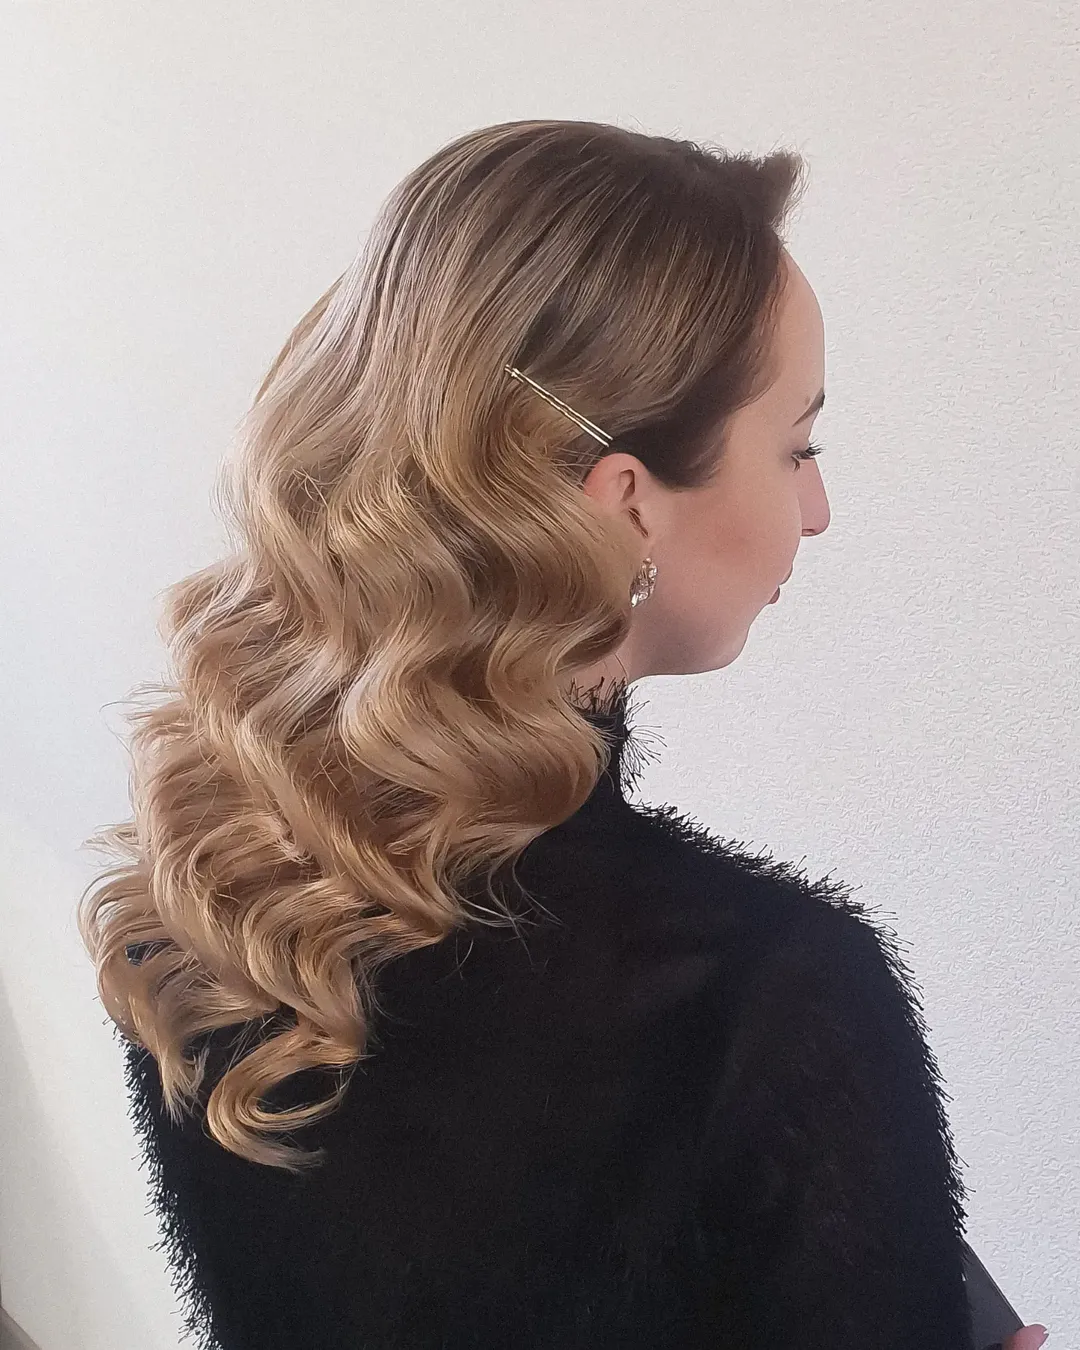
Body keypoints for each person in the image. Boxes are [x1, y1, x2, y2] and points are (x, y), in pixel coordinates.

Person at [79, 119, 1047, 1349]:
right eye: (798, 444)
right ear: (628, 505)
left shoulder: (215, 888)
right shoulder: (767, 1004)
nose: (816, 509)